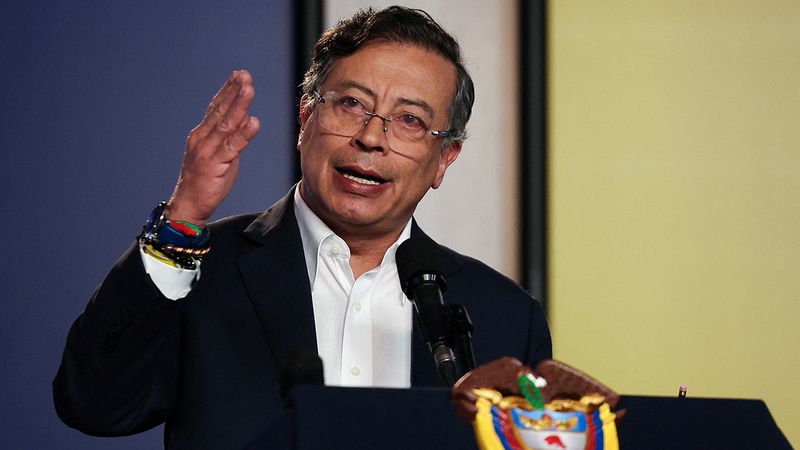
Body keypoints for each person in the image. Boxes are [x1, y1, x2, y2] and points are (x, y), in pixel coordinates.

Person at [53, 6, 551, 449]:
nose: (371, 138)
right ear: (306, 115)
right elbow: (95, 405)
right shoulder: (209, 271)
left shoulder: (505, 318)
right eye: (352, 104)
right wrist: (181, 221)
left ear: (444, 159)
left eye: (409, 121)